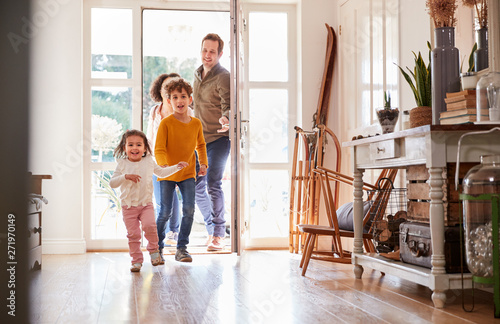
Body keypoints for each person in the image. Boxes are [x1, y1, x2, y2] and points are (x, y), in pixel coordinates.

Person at [109, 129, 187, 272]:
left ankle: (154, 252)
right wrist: (125, 176)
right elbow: (112, 183)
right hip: (128, 207)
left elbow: (162, 173)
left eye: (138, 145)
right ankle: (136, 261)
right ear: (124, 148)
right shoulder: (122, 164)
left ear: (145, 148)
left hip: (146, 205)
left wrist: (177, 167)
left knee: (150, 226)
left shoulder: (149, 162)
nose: (134, 148)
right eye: (130, 145)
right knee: (134, 235)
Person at [155, 78, 208, 262]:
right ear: (169, 101)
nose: (180, 100)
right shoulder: (166, 123)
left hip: (188, 174)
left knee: (189, 210)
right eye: (175, 97)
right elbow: (159, 149)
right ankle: (158, 248)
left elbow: (200, 145)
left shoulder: (196, 124)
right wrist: (163, 165)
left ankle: (182, 249)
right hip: (167, 174)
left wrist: (203, 163)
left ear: (190, 99)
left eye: (183, 96)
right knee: (165, 212)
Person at [193, 33, 231, 251]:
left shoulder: (223, 76)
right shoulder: (197, 74)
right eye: (205, 50)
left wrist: (225, 117)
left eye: (212, 51)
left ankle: (218, 235)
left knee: (213, 184)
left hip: (218, 138)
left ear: (220, 54)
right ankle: (212, 229)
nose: (207, 55)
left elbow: (227, 103)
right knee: (196, 186)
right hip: (198, 140)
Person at [147, 73, 182, 246]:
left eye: (172, 88)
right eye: (165, 88)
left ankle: (172, 232)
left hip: (175, 162)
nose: (169, 92)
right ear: (160, 90)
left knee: (172, 197)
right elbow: (150, 135)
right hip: (156, 161)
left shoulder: (180, 111)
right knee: (162, 200)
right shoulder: (155, 111)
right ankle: (163, 233)